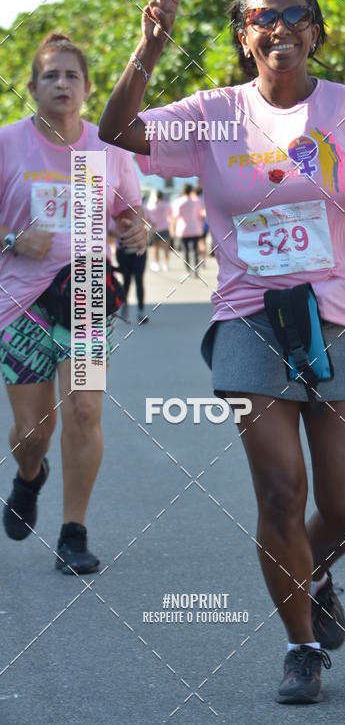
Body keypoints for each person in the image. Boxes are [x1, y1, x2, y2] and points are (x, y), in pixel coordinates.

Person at [98, 0, 345, 704]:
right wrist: (149, 49)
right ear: (245, 37)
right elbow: (116, 131)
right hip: (248, 318)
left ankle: (317, 572)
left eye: (297, 15)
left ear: (316, 32)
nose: (281, 27)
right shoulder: (212, 113)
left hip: (338, 317)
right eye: (264, 17)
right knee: (277, 491)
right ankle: (301, 646)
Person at [0, 33, 146, 574]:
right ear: (33, 86)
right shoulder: (8, 143)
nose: (62, 84)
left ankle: (73, 533)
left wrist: (136, 232)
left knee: (85, 410)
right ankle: (28, 476)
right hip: (18, 301)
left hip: (84, 291)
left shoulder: (105, 148)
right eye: (50, 75)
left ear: (86, 87)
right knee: (34, 432)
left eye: (72, 76)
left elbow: (129, 213)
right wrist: (12, 239)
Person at [171, 183, 206, 275]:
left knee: (185, 250)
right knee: (194, 249)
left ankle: (187, 270)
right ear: (191, 191)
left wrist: (172, 229)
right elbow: (201, 214)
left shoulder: (178, 202)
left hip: (183, 229)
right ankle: (196, 269)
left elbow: (175, 217)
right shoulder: (196, 202)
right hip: (195, 228)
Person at [146, 189, 172, 271]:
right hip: (165, 227)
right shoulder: (167, 204)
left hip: (155, 229)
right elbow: (171, 214)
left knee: (155, 247)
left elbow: (147, 218)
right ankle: (166, 264)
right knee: (166, 247)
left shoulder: (151, 206)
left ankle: (156, 263)